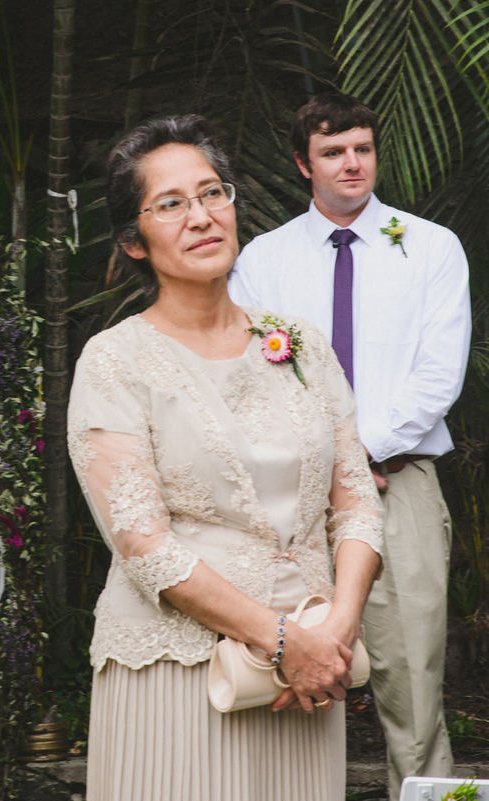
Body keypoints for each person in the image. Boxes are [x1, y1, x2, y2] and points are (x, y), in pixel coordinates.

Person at [69, 114, 384, 800]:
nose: (202, 216)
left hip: (307, 676)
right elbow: (143, 543)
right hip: (181, 672)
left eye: (214, 194)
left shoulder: (299, 342)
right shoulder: (115, 361)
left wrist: (335, 628)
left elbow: (356, 498)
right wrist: (280, 642)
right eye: (172, 203)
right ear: (133, 240)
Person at [229, 92, 471, 799]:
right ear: (305, 164)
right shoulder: (264, 260)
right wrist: (327, 463)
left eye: (362, 148)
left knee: (413, 671)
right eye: (334, 152)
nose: (352, 162)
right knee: (290, 665)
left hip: (402, 480)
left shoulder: (429, 248)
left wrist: (359, 455)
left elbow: (438, 374)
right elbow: (248, 374)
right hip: (290, 491)